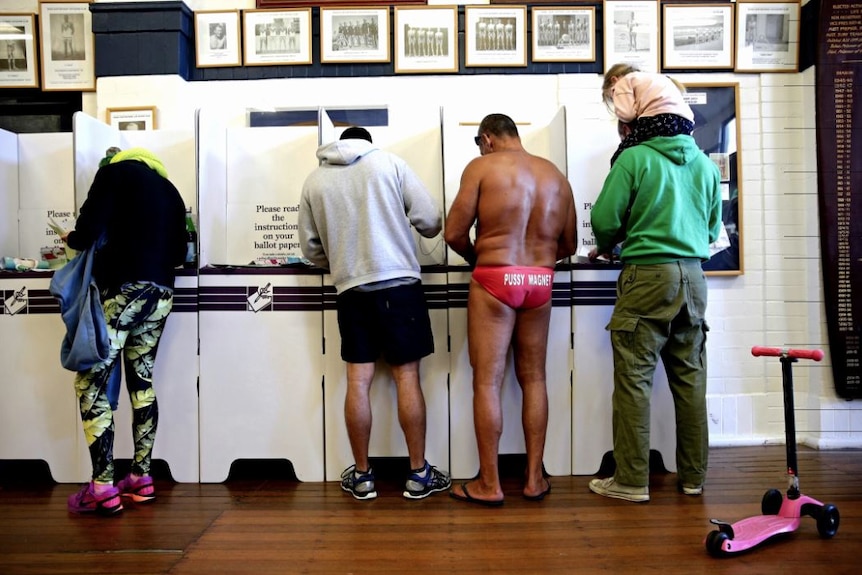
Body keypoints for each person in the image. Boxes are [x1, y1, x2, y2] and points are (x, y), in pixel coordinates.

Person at [298, 126, 451, 501]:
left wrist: (341, 261)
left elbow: (310, 248)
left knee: (357, 381)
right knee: (407, 378)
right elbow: (431, 220)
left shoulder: (314, 181)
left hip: (352, 289)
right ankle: (418, 474)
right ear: (368, 142)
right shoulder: (390, 164)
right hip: (400, 285)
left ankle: (363, 476)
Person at [444, 113, 577, 506]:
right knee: (534, 378)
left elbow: (453, 232)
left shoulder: (482, 167)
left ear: (487, 138)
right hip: (539, 282)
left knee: (487, 382)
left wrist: (479, 258)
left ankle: (490, 483)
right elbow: (568, 245)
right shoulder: (555, 174)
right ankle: (535, 479)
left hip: (494, 279)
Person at [587, 119, 722, 503]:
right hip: (694, 279)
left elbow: (604, 221)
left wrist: (614, 239)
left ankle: (631, 480)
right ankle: (694, 478)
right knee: (692, 380)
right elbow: (712, 231)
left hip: (647, 276)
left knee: (634, 379)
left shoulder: (634, 158)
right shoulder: (705, 164)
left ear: (636, 126)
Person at [61, 148, 187, 515]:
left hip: (121, 291)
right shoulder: (170, 189)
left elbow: (86, 233)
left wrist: (71, 238)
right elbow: (180, 252)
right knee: (142, 381)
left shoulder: (113, 175)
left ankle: (101, 485)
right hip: (160, 293)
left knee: (93, 382)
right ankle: (141, 478)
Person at [602, 63, 695, 165]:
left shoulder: (623, 82)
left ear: (614, 80)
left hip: (661, 120)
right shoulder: (658, 80)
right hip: (687, 123)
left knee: (619, 156)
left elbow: (627, 115)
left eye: (613, 97)